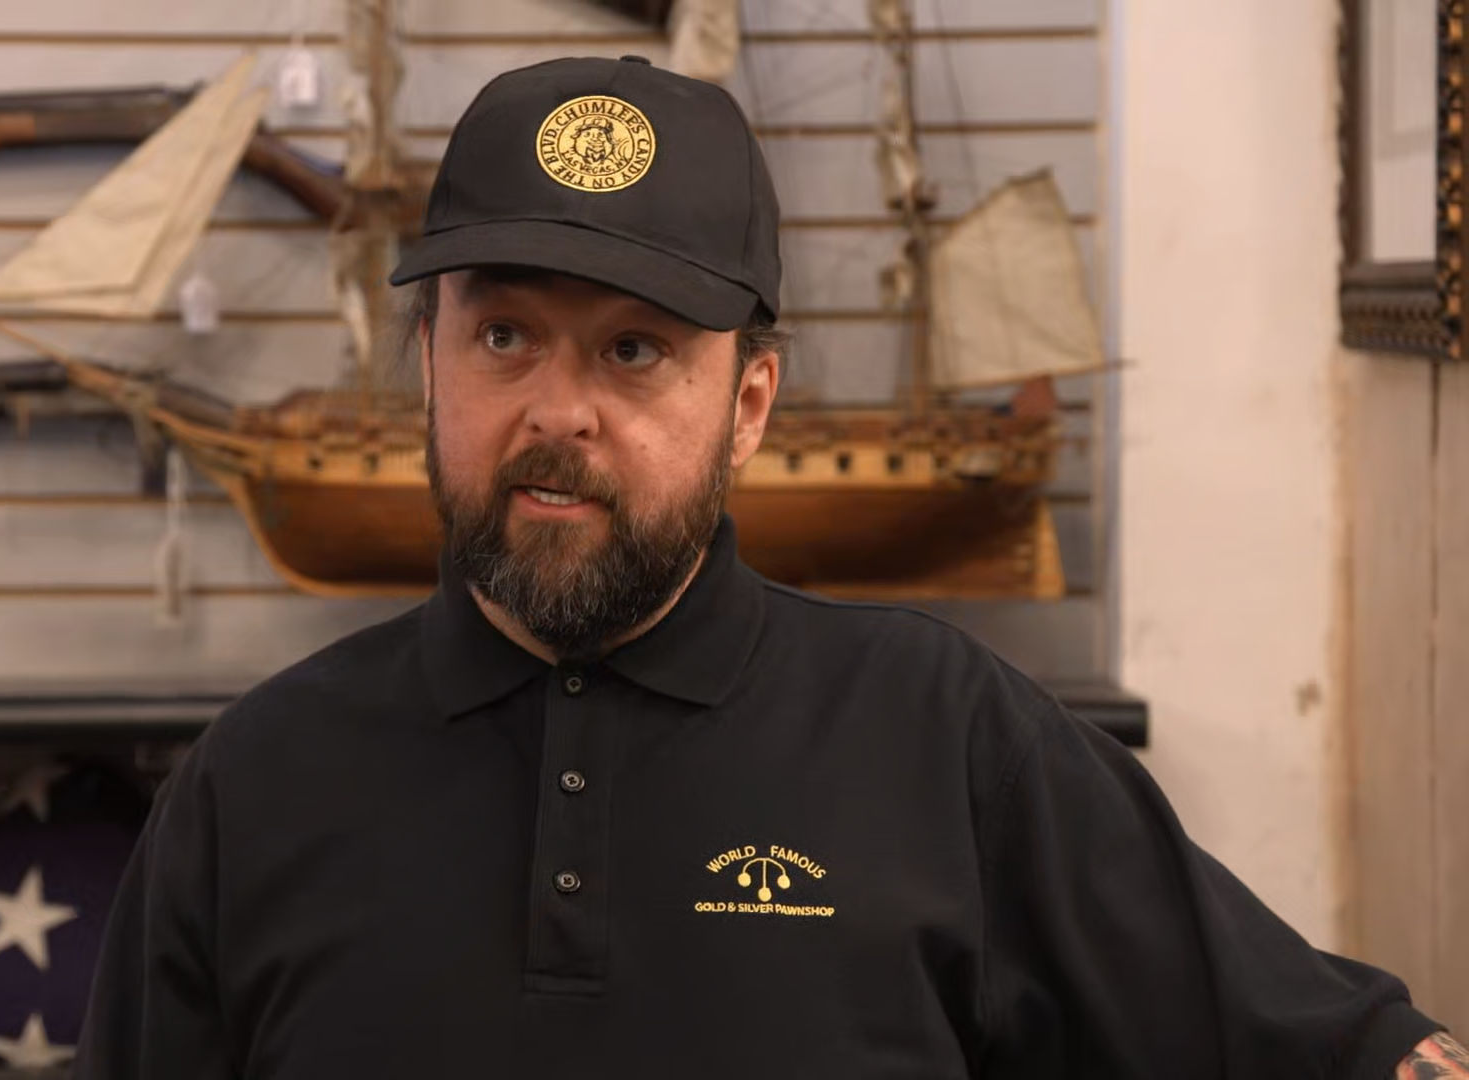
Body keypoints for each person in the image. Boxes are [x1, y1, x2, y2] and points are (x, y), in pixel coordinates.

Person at [72, 55, 1461, 1078]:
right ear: (426, 365)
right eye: (504, 337)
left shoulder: (950, 739)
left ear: (748, 404)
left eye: (634, 349)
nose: (559, 411)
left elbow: (1333, 1050)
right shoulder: (251, 785)